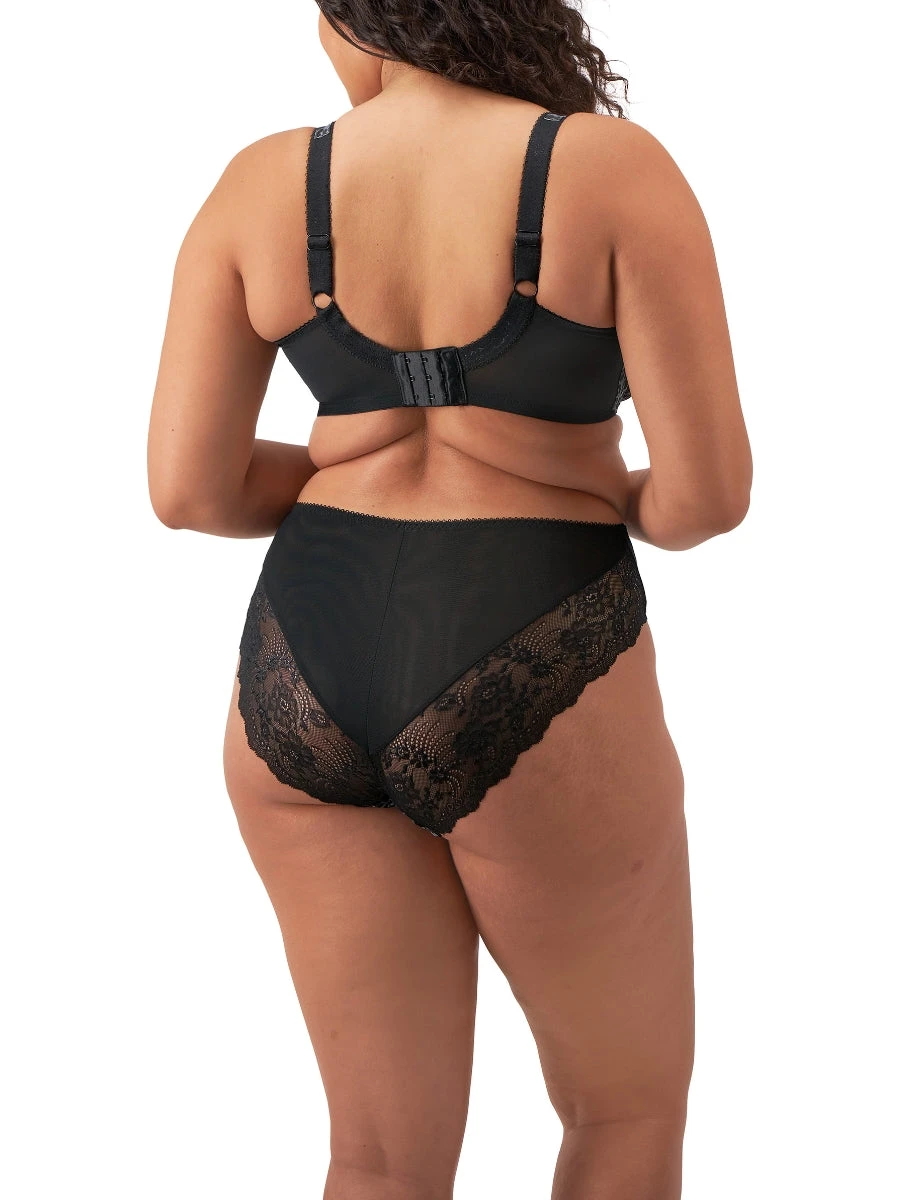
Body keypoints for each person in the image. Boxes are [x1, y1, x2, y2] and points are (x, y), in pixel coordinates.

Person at [147, 2, 752, 1196]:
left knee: (377, 1162)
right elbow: (706, 495)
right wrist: (587, 484)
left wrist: (348, 467)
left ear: (359, 18)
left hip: (305, 646)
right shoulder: (611, 171)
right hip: (530, 615)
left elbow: (189, 489)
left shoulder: (264, 185)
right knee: (623, 1114)